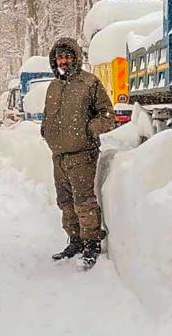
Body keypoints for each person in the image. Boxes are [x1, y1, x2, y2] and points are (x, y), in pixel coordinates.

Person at [40, 37, 115, 270]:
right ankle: (75, 241)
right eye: (59, 57)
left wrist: (89, 129)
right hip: (59, 156)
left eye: (67, 56)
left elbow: (107, 115)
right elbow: (48, 115)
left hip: (82, 154)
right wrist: (46, 130)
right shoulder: (53, 87)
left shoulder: (89, 83)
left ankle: (91, 244)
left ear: (75, 58)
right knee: (65, 202)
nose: (63, 61)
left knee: (84, 202)